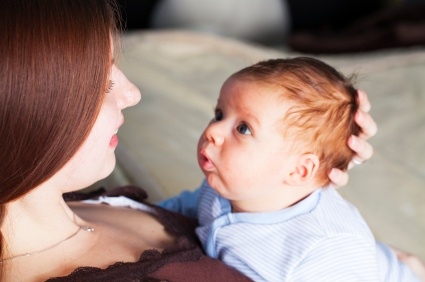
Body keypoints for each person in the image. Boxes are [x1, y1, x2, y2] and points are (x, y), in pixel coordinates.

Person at [1, 0, 421, 281]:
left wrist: (293, 171)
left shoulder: (324, 250)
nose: (133, 94)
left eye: (241, 126)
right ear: (30, 110)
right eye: (101, 81)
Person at [158, 58, 422, 281]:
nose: (212, 131)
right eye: (219, 114)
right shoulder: (224, 188)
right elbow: (183, 207)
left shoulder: (324, 247)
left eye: (244, 128)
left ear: (300, 170)